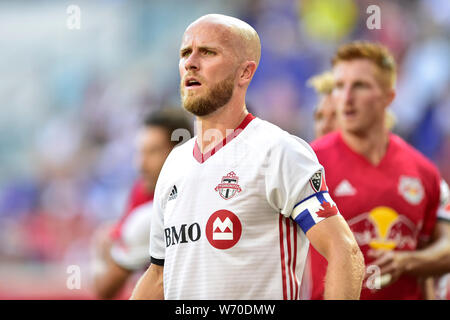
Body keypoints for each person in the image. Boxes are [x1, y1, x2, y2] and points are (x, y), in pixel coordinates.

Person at [130, 14, 365, 300]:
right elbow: (158, 276)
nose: (191, 62)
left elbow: (344, 250)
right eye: (185, 53)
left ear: (245, 72)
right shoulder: (174, 164)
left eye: (208, 52)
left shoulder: (277, 151)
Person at [309, 41, 450, 299]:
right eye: (340, 86)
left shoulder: (424, 172)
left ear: (389, 97)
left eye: (360, 86)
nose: (347, 98)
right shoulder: (307, 163)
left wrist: (409, 262)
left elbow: (443, 248)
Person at [91, 108, 193, 299]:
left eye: (153, 152)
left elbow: (105, 288)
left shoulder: (152, 216)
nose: (140, 164)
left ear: (179, 152)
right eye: (140, 152)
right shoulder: (142, 191)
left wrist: (100, 252)